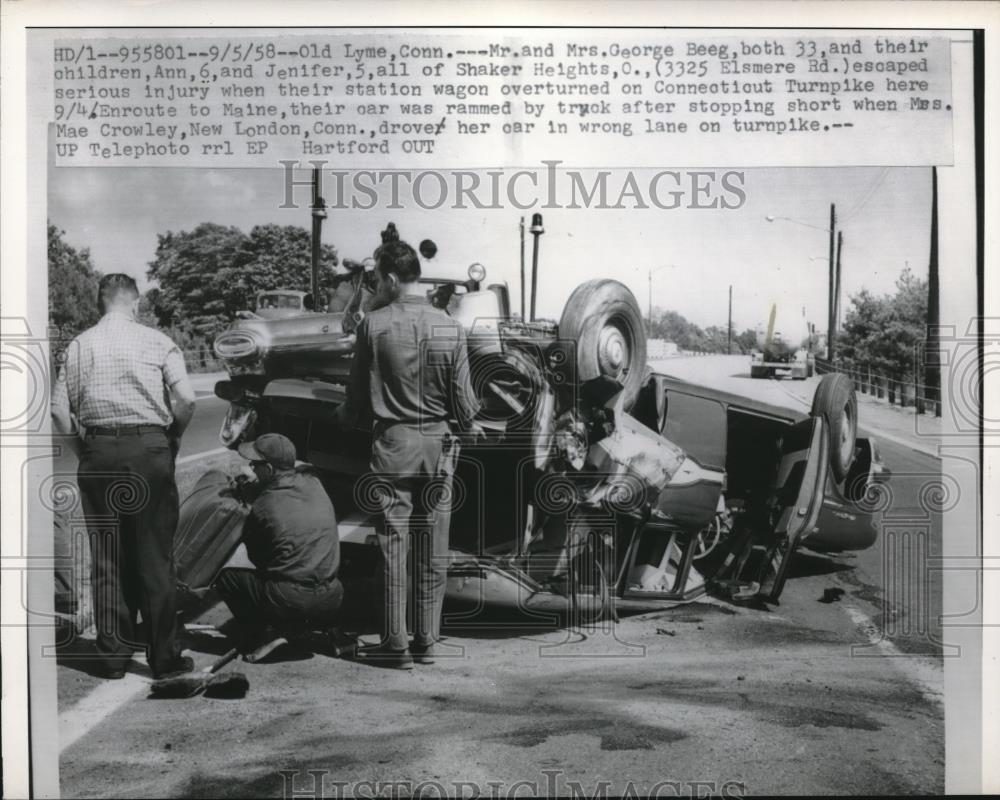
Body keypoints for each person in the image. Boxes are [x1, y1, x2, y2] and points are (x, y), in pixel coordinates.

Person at [338, 239, 481, 669]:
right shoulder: (451, 328)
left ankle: (395, 644)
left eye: (379, 278)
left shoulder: (373, 325)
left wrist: (342, 414)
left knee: (393, 547)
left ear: (392, 278)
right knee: (433, 547)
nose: (378, 285)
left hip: (392, 450)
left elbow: (356, 402)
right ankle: (427, 641)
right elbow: (465, 406)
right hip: (438, 452)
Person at [51, 273, 196, 680]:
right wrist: (174, 437)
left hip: (98, 452)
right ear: (135, 304)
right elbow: (185, 398)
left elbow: (60, 412)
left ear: (100, 304)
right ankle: (163, 657)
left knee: (107, 556)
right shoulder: (157, 341)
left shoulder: (79, 345)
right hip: (148, 449)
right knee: (154, 556)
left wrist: (86, 450)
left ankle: (113, 655)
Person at [213, 433, 343, 649]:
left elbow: (259, 558)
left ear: (269, 469)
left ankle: (263, 636)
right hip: (333, 597)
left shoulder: (264, 504)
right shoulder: (314, 483)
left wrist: (249, 493)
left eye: (255, 464)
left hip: (291, 600)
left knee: (227, 578)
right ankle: (333, 632)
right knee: (315, 556)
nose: (250, 468)